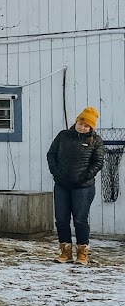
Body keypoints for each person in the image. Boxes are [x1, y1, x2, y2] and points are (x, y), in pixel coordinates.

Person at [47, 107, 105, 264]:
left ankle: (82, 253)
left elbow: (98, 162)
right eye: (81, 123)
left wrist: (86, 176)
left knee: (80, 219)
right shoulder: (63, 136)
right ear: (76, 122)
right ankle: (65, 252)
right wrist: (56, 173)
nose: (83, 127)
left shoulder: (96, 141)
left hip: (83, 187)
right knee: (61, 219)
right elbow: (51, 154)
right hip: (62, 185)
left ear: (91, 128)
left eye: (87, 126)